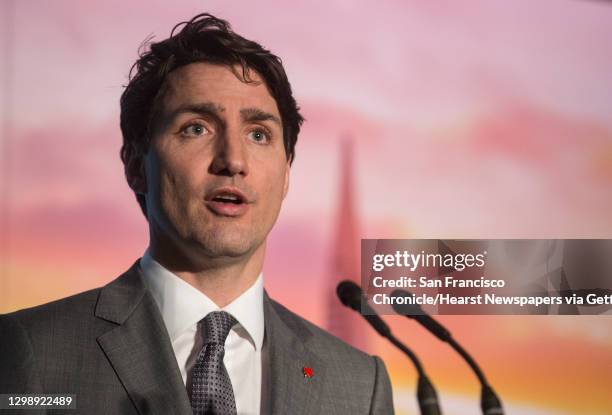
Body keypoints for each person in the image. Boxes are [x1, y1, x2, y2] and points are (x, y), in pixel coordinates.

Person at [0, 13, 394, 415]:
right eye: (196, 128)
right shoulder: (29, 350)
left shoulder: (360, 385)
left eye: (258, 134)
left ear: (286, 173)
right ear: (137, 164)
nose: (233, 161)